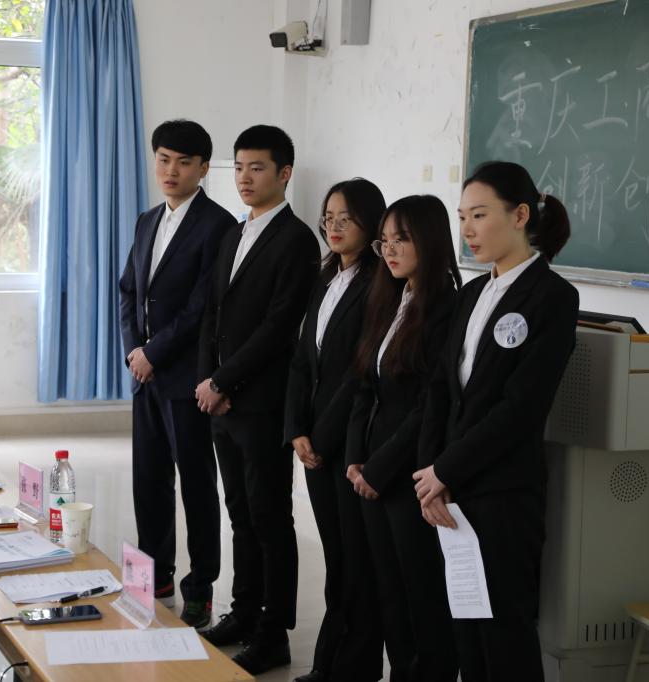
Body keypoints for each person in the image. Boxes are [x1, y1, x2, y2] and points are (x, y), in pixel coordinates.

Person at [414, 161, 578, 681]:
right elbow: (441, 389)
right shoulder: (470, 294)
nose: (467, 228)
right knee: (466, 632)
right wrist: (430, 475)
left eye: (480, 215)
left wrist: (446, 470)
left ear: (520, 215)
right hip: (451, 491)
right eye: (462, 216)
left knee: (504, 632)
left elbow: (520, 407)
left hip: (503, 492)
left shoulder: (552, 297)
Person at [196, 125, 319, 675]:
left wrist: (224, 382)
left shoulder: (297, 240)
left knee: (270, 517)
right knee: (240, 514)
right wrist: (208, 382)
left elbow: (278, 326)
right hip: (223, 404)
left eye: (258, 168)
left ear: (284, 173)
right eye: (240, 167)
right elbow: (212, 313)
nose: (245, 178)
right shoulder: (234, 232)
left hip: (263, 404)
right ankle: (244, 612)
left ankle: (274, 633)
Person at [118, 120, 236, 629]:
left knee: (197, 485)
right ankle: (156, 574)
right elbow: (128, 290)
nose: (171, 171)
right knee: (148, 480)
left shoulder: (218, 225)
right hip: (144, 375)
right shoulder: (147, 219)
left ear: (203, 168)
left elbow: (202, 307)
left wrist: (154, 353)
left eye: (184, 163)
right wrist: (134, 352)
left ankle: (201, 586)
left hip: (186, 378)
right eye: (164, 160)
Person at [344, 195, 461, 681]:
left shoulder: (446, 308)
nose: (389, 250)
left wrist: (378, 468)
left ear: (429, 241)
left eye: (401, 239)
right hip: (372, 469)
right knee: (388, 592)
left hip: (410, 473)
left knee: (422, 596)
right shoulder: (392, 297)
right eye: (384, 241)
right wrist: (355, 458)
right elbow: (365, 384)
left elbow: (428, 406)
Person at [282, 178, 385, 682]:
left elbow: (360, 372)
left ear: (371, 223)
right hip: (316, 440)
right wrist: (295, 428)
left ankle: (352, 666)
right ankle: (331, 664)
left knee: (355, 561)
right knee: (336, 556)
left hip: (351, 443)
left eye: (346, 218)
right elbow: (304, 359)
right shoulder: (325, 277)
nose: (334, 226)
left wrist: (320, 436)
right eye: (329, 217)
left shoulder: (380, 282)